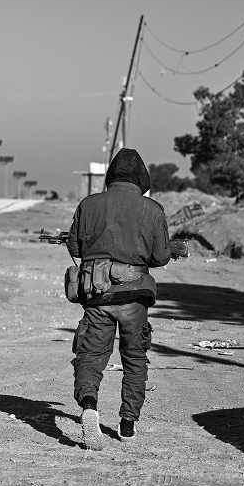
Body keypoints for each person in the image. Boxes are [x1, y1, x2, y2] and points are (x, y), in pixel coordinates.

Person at [66, 148, 172, 450]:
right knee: (134, 359)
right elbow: (161, 256)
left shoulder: (89, 204)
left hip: (97, 296)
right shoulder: (152, 209)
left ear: (110, 176)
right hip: (135, 298)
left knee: (90, 355)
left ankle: (89, 406)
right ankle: (127, 425)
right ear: (142, 179)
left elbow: (76, 247)